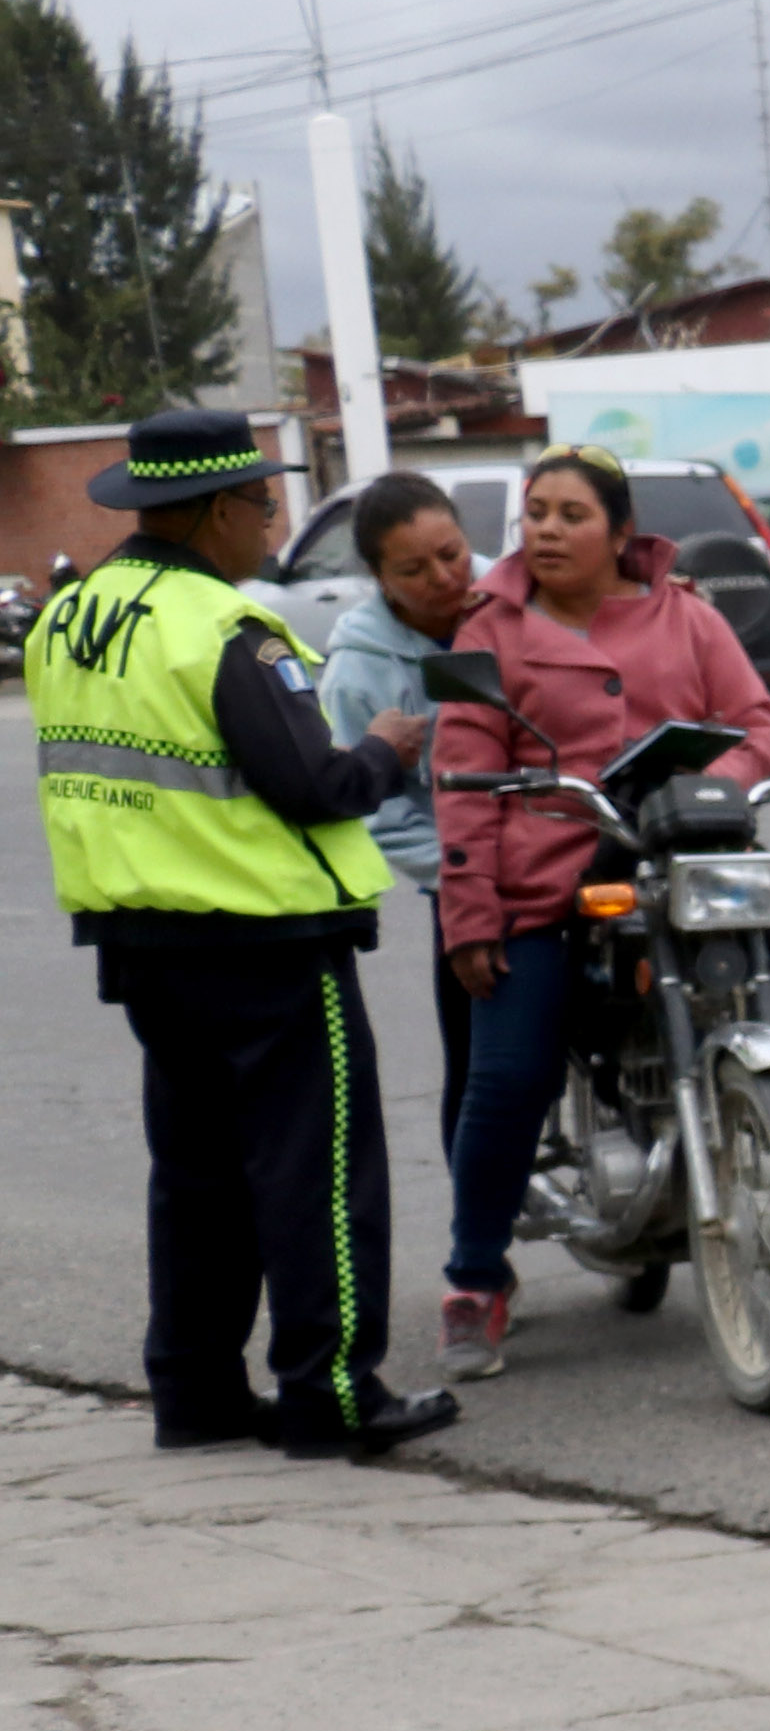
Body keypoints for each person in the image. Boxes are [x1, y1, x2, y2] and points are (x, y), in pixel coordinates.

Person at [435, 448, 770, 1376]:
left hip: (695, 863)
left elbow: (755, 723)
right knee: (509, 1074)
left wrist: (710, 790)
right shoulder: (490, 633)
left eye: (571, 515)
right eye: (537, 513)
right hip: (550, 883)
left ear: (621, 534)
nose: (546, 530)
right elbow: (462, 784)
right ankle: (475, 1281)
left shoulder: (688, 613)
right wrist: (470, 914)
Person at [18, 408, 457, 1458]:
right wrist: (388, 751)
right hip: (264, 940)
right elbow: (313, 785)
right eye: (263, 505)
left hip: (141, 939)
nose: (273, 524)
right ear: (217, 511)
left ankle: (197, 1391)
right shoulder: (226, 633)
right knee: (315, 1172)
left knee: (199, 1177)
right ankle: (332, 1393)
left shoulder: (72, 618)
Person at [316, 474, 483, 1139]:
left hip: (562, 847)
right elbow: (378, 812)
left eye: (453, 553)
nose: (444, 578)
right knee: (481, 1065)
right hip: (468, 878)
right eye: (414, 569)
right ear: (381, 579)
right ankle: (477, 1240)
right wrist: (462, 875)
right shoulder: (358, 670)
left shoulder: (520, 598)